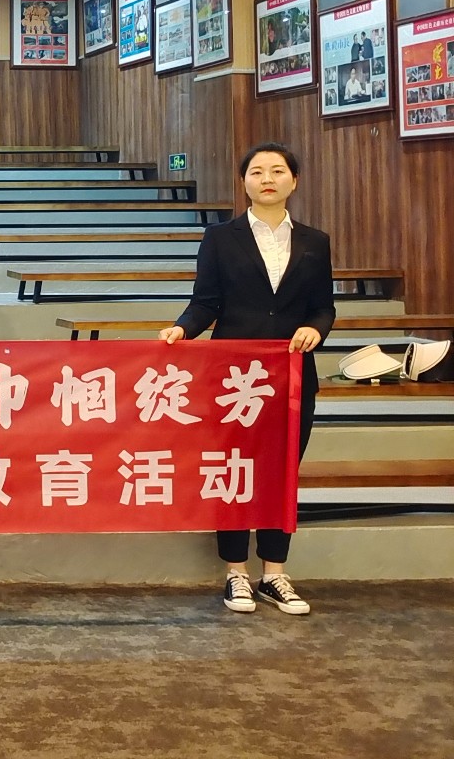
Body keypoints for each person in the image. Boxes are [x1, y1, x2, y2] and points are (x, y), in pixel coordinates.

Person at [159, 143, 334, 617]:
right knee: (233, 469)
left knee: (281, 472)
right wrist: (182, 329)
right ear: (244, 183)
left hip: (292, 375)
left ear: (294, 180)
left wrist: (315, 329)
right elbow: (205, 302)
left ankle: (274, 573)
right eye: (257, 172)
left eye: (277, 171)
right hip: (234, 377)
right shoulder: (220, 238)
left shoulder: (315, 241)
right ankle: (236, 572)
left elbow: (323, 307)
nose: (267, 179)